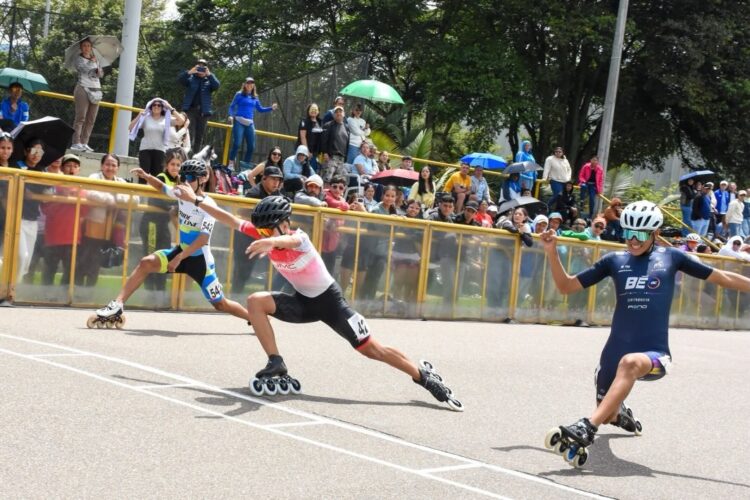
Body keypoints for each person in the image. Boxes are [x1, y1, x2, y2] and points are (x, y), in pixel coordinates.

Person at [171, 188, 463, 408]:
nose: (263, 233)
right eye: (262, 230)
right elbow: (229, 219)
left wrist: (272, 241)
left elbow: (289, 240)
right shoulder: (265, 233)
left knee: (373, 350)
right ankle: (276, 362)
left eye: (269, 229)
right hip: (303, 302)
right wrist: (196, 200)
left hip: (331, 303)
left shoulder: (299, 238)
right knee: (255, 301)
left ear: (284, 224)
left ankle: (423, 376)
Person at [540, 200, 750, 466]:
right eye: (628, 232)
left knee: (628, 364)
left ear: (655, 233)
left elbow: (724, 277)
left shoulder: (672, 257)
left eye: (640, 234)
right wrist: (551, 252)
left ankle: (587, 427)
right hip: (614, 352)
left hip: (655, 355)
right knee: (608, 413)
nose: (633, 240)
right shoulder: (614, 261)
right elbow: (566, 287)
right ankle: (619, 415)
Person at [92, 159, 249, 326]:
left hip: (200, 260)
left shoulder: (208, 205)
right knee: (146, 263)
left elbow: (203, 239)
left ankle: (254, 318)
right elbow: (161, 187)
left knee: (220, 304)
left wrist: (179, 257)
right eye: (183, 177)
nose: (185, 182)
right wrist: (147, 176)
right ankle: (117, 305)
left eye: (190, 178)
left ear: (203, 179)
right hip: (182, 251)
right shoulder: (181, 192)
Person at [139, 147, 184, 294]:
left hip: (163, 224)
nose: (175, 168)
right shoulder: (161, 177)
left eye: (178, 165)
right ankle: (149, 292)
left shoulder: (180, 181)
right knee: (150, 256)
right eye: (172, 164)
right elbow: (154, 200)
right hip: (151, 223)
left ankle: (160, 291)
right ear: (166, 165)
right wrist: (173, 206)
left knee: (165, 257)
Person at [227, 77, 278, 169]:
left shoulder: (255, 97)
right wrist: (230, 115)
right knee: (237, 143)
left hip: (250, 123)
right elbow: (232, 106)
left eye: (251, 83)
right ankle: (231, 163)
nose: (249, 85)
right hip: (239, 121)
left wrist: (271, 108)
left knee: (251, 146)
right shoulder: (239, 94)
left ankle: (245, 166)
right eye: (248, 83)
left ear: (253, 85)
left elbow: (260, 109)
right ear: (244, 84)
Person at [178, 58, 220, 152]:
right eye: (199, 66)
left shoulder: (209, 80)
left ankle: (195, 157)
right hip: (190, 110)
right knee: (189, 133)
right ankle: (186, 155)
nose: (201, 69)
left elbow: (217, 86)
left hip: (203, 112)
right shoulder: (191, 78)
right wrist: (190, 72)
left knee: (199, 136)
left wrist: (209, 75)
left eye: (203, 67)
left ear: (206, 68)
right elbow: (180, 80)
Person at [129, 97, 175, 182]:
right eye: (154, 105)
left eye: (159, 105)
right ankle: (141, 191)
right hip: (145, 149)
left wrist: (171, 108)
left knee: (157, 177)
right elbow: (130, 127)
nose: (156, 106)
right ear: (150, 106)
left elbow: (181, 121)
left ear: (162, 108)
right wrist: (139, 116)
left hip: (160, 150)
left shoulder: (166, 119)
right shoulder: (146, 117)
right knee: (143, 176)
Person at [70, 38, 103, 152]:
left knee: (91, 119)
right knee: (81, 117)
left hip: (96, 89)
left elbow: (100, 74)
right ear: (81, 47)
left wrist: (98, 69)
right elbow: (83, 69)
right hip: (83, 88)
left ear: (91, 47)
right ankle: (76, 142)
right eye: (84, 45)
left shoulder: (96, 59)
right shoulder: (78, 59)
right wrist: (90, 62)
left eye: (88, 46)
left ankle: (84, 142)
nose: (87, 48)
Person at [320, 106, 350, 184]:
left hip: (342, 159)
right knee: (327, 180)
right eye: (336, 112)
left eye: (340, 111)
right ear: (333, 115)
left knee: (339, 182)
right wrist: (325, 152)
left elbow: (347, 143)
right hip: (331, 158)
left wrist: (345, 158)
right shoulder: (328, 125)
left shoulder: (346, 127)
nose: (338, 113)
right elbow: (323, 140)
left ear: (344, 114)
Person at [296, 103, 323, 172]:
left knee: (312, 171)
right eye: (312, 109)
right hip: (304, 152)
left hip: (315, 153)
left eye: (315, 109)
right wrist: (306, 151)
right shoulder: (304, 121)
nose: (314, 111)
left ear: (318, 111)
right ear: (308, 110)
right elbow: (303, 137)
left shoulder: (320, 122)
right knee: (301, 170)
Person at [578, 155, 604, 220]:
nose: (594, 161)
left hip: (593, 185)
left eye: (596, 160)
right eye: (593, 160)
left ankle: (591, 214)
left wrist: (599, 189)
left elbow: (600, 180)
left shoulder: (600, 169)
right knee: (583, 186)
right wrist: (583, 181)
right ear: (590, 160)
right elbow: (581, 175)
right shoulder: (586, 166)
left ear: (597, 162)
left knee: (592, 199)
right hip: (586, 183)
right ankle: (582, 201)